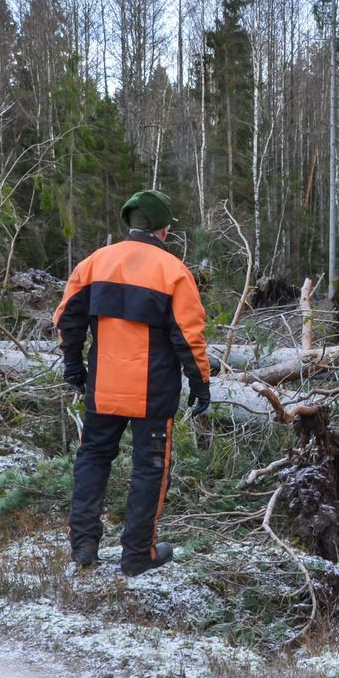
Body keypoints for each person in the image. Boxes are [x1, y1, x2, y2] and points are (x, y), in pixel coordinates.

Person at [53, 190, 210, 577]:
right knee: (149, 469)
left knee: (92, 458)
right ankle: (138, 555)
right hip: (152, 392)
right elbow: (188, 336)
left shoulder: (94, 263)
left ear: (130, 223)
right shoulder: (172, 270)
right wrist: (200, 383)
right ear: (164, 228)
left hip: (103, 385)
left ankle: (84, 546)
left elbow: (66, 320)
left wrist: (73, 365)